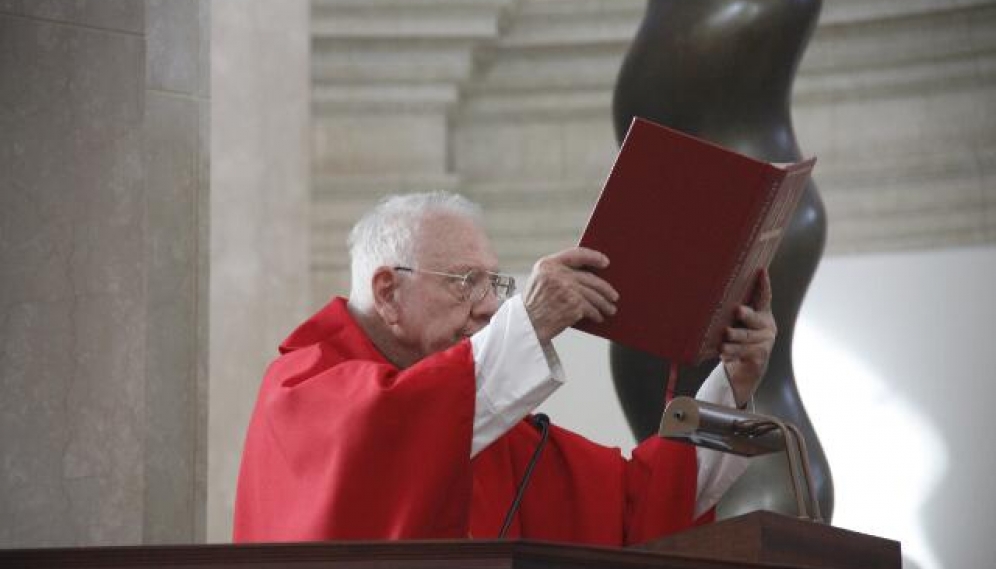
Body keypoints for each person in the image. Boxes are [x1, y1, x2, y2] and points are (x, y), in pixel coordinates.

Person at [233, 191, 777, 545]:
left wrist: (734, 381)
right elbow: (387, 428)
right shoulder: (301, 389)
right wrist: (531, 321)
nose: (491, 306)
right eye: (466, 281)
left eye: (496, 285)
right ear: (388, 292)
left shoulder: (478, 428)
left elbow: (642, 501)